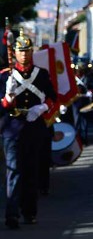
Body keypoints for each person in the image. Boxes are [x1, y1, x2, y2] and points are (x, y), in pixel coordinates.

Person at [1, 32, 56, 229]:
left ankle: (29, 211)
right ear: (14, 53)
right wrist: (7, 97)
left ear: (32, 52)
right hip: (12, 130)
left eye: (27, 50)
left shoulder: (41, 74)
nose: (24, 54)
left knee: (31, 171)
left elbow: (51, 97)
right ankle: (12, 214)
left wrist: (41, 108)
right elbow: (2, 106)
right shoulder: (5, 76)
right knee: (14, 171)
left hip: (34, 128)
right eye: (20, 51)